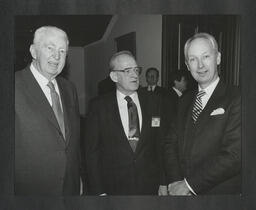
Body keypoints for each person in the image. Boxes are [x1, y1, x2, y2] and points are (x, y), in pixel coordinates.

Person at [164, 32, 241, 195]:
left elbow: (235, 154)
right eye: (193, 59)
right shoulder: (184, 100)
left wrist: (188, 186)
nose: (200, 65)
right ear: (187, 65)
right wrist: (176, 181)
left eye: (206, 56)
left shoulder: (238, 97)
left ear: (218, 58)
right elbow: (170, 143)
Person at [84, 51, 164, 195]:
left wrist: (163, 182)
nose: (134, 75)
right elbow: (92, 153)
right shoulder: (98, 106)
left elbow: (160, 144)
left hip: (149, 186)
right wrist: (99, 191)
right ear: (114, 76)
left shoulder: (155, 101)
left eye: (136, 70)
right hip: (113, 188)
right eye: (127, 71)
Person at [15, 26, 81, 195]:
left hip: (69, 188)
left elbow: (72, 141)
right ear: (34, 51)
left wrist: (77, 176)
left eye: (62, 51)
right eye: (50, 48)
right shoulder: (13, 85)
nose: (56, 56)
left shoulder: (69, 88)